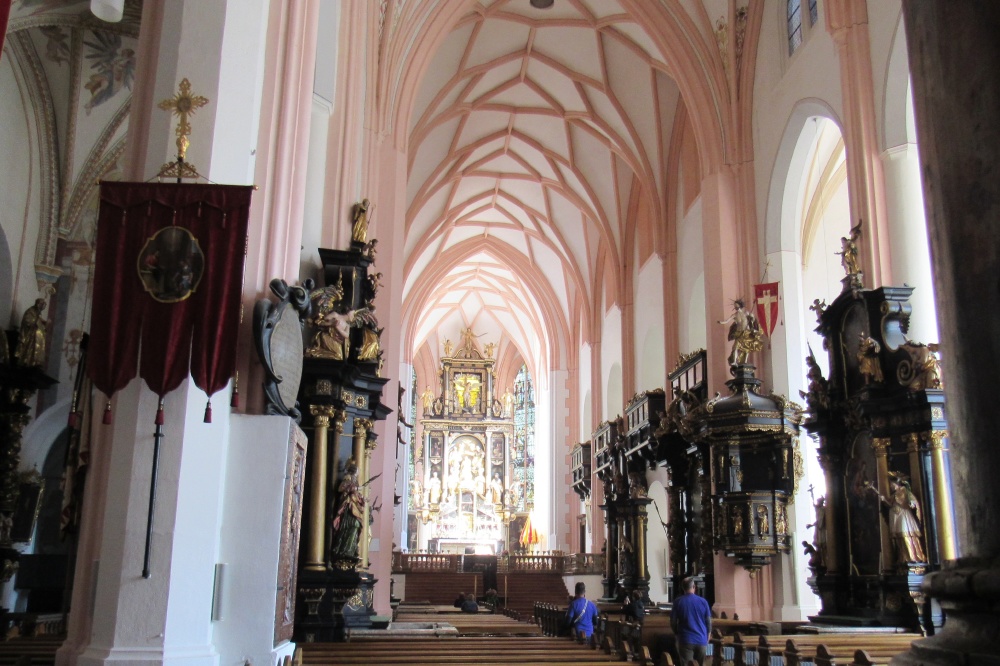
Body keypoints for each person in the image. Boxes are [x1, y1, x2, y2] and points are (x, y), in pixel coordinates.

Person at [670, 577, 711, 665]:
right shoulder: (703, 602)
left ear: (683, 588)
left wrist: (677, 633)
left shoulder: (678, 602)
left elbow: (673, 621)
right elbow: (708, 622)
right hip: (701, 639)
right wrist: (707, 636)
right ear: (694, 586)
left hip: (685, 639)